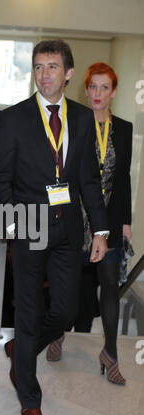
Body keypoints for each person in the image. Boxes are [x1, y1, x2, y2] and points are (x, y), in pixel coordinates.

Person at [0, 40, 108, 415]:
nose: (45, 74)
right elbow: (1, 177)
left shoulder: (81, 117)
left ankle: (23, 351)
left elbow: (89, 180)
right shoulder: (14, 119)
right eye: (38, 67)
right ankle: (30, 403)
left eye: (53, 67)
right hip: (27, 228)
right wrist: (10, 224)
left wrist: (101, 230)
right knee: (27, 315)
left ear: (68, 74)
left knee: (65, 310)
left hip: (67, 232)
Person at [46, 63, 133, 386]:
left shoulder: (123, 129)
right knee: (66, 284)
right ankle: (57, 334)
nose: (97, 94)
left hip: (106, 222)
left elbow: (122, 179)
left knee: (109, 287)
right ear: (85, 89)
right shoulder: (73, 121)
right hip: (71, 217)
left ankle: (110, 352)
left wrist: (125, 222)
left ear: (113, 91)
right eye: (93, 87)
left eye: (104, 88)